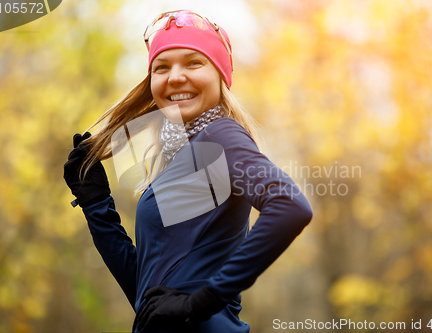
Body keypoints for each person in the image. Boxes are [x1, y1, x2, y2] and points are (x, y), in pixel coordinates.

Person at [64, 9, 313, 333]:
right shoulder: (185, 157)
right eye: (162, 67)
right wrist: (97, 206)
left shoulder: (219, 136)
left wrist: (199, 303)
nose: (175, 76)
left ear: (220, 74)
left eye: (193, 62)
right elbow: (149, 297)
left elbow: (290, 206)